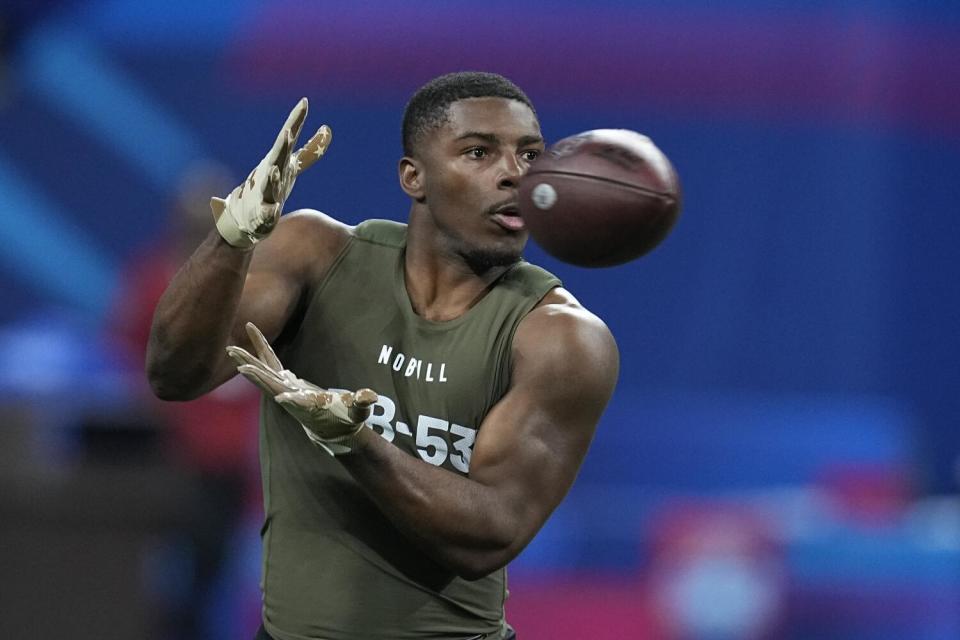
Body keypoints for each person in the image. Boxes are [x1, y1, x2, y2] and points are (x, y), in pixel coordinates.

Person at [146, 71, 619, 640]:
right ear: (413, 177)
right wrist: (232, 237)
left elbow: (489, 535)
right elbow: (175, 373)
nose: (514, 174)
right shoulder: (313, 256)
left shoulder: (561, 338)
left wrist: (354, 441)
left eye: (529, 155)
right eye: (478, 152)